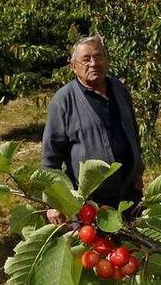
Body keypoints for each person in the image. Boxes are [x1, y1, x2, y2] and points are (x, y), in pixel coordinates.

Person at [41, 35, 144, 210]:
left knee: (134, 237)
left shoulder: (118, 89)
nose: (94, 64)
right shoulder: (64, 100)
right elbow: (51, 155)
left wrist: (137, 171)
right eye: (86, 59)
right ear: (74, 67)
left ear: (106, 61)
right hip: (89, 202)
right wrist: (53, 202)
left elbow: (132, 132)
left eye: (98, 57)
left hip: (128, 194)